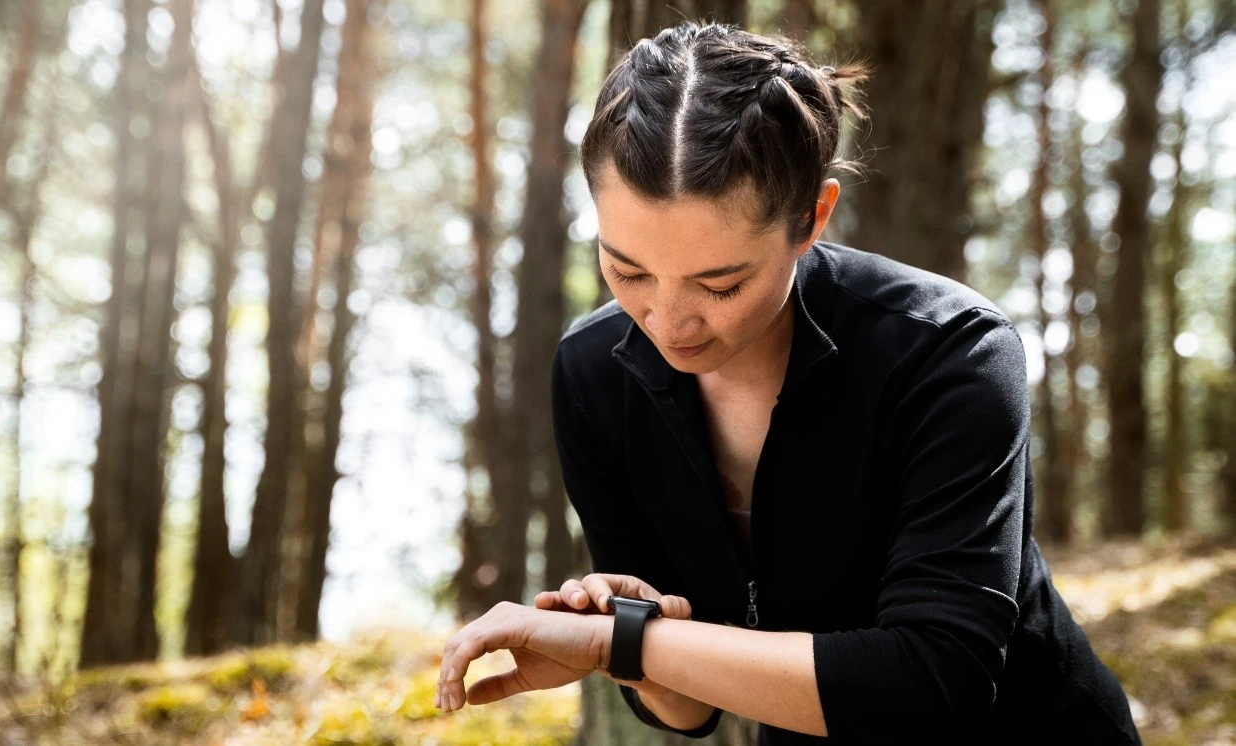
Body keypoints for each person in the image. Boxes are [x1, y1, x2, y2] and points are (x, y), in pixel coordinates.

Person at [435, 20, 1142, 746]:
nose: (669, 322)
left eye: (721, 282)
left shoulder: (949, 351)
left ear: (812, 219)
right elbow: (686, 709)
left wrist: (627, 645)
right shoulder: (592, 374)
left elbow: (938, 677)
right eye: (629, 271)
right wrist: (630, 643)